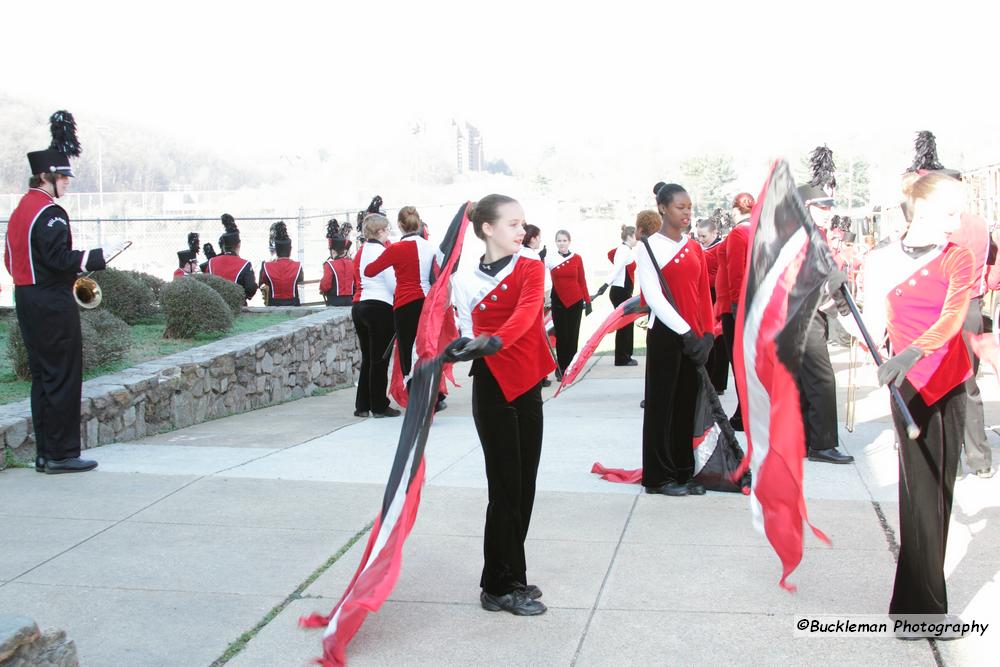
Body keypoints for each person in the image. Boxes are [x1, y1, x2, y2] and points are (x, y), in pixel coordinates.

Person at [834, 172, 972, 624]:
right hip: (907, 389)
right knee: (919, 497)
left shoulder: (958, 257)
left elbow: (954, 319)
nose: (956, 223)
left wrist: (912, 351)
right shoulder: (880, 262)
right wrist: (837, 306)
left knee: (937, 496)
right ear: (926, 209)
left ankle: (918, 604)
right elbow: (870, 331)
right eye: (951, 212)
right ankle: (922, 609)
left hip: (946, 384)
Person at [451, 194, 555, 616]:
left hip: (527, 382)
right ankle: (497, 586)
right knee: (505, 488)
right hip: (493, 387)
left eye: (523, 223)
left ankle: (510, 575)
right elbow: (462, 328)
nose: (522, 231)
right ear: (488, 228)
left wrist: (492, 340)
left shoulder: (531, 264)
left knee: (524, 485)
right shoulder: (464, 279)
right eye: (513, 224)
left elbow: (529, 312)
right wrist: (463, 346)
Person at [3, 110, 122, 474]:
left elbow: (10, 259)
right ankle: (62, 454)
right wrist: (97, 257)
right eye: (62, 177)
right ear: (45, 177)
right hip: (52, 301)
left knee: (43, 378)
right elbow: (57, 258)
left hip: (26, 296)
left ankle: (45, 453)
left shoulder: (21, 210)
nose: (66, 183)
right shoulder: (50, 212)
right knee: (64, 377)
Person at [905, 131, 993, 479]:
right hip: (971, 306)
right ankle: (979, 457)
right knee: (969, 383)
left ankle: (945, 456)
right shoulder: (980, 224)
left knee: (937, 382)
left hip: (940, 308)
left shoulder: (939, 225)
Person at [635, 185, 715, 497]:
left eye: (689, 207)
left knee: (685, 407)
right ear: (663, 209)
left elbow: (702, 296)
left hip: (694, 337)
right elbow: (653, 297)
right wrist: (685, 331)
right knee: (661, 408)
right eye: (680, 207)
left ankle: (684, 470)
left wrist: (706, 335)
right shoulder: (648, 247)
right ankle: (658, 477)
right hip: (667, 336)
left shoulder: (694, 247)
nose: (686, 213)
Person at [795, 146, 854, 464]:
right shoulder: (802, 234)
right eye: (824, 203)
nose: (830, 209)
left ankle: (809, 438)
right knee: (820, 377)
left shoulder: (812, 232)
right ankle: (821, 443)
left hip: (809, 313)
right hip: (803, 316)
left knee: (809, 379)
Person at [363, 206, 443, 409]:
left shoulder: (395, 249)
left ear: (399, 225)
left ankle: (416, 396)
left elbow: (370, 271)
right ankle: (435, 395)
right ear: (418, 224)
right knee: (427, 348)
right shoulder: (430, 247)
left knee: (407, 351)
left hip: (405, 304)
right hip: (427, 304)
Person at [352, 214, 400, 418]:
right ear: (380, 231)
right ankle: (379, 405)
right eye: (387, 229)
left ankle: (362, 405)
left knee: (368, 358)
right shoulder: (383, 252)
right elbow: (392, 284)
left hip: (359, 305)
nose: (388, 232)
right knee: (380, 359)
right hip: (380, 306)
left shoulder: (360, 252)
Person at [719, 193, 755, 427]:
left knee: (739, 363)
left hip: (736, 306)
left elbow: (736, 273)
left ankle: (744, 415)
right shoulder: (759, 232)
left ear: (735, 210)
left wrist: (735, 305)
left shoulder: (739, 233)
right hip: (752, 304)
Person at [546, 229, 590, 374]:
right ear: (556, 242)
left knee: (573, 334)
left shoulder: (577, 258)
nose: (562, 243)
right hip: (558, 301)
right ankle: (561, 367)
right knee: (561, 334)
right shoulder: (550, 259)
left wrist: (588, 301)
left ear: (569, 241)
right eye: (559, 240)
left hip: (576, 301)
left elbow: (581, 280)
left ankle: (571, 367)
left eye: (564, 240)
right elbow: (536, 271)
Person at [599, 225, 638, 366]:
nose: (638, 239)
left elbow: (611, 254)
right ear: (630, 236)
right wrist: (604, 286)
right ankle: (622, 358)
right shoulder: (624, 250)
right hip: (621, 292)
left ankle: (624, 355)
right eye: (636, 236)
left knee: (627, 323)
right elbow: (617, 270)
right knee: (625, 324)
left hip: (623, 291)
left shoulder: (624, 249)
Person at [697, 218, 728, 393]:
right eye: (699, 236)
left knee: (718, 340)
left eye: (704, 236)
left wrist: (699, 279)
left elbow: (720, 277)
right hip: (706, 297)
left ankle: (717, 383)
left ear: (715, 233)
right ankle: (710, 379)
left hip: (716, 297)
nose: (701, 239)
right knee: (709, 339)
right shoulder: (704, 248)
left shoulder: (719, 248)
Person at [205, 214, 258, 302]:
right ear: (239, 245)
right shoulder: (245, 264)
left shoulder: (211, 262)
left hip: (217, 306)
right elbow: (250, 288)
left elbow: (206, 284)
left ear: (224, 246)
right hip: (238, 307)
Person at [259, 222, 304, 306]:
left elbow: (263, 281)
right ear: (290, 249)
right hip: (293, 304)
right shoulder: (297, 266)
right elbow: (300, 279)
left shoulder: (266, 266)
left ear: (276, 249)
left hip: (274, 304)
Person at [320, 219, 355, 306]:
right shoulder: (353, 263)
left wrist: (322, 288)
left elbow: (325, 286)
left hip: (334, 301)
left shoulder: (329, 265)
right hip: (351, 300)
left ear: (333, 251)